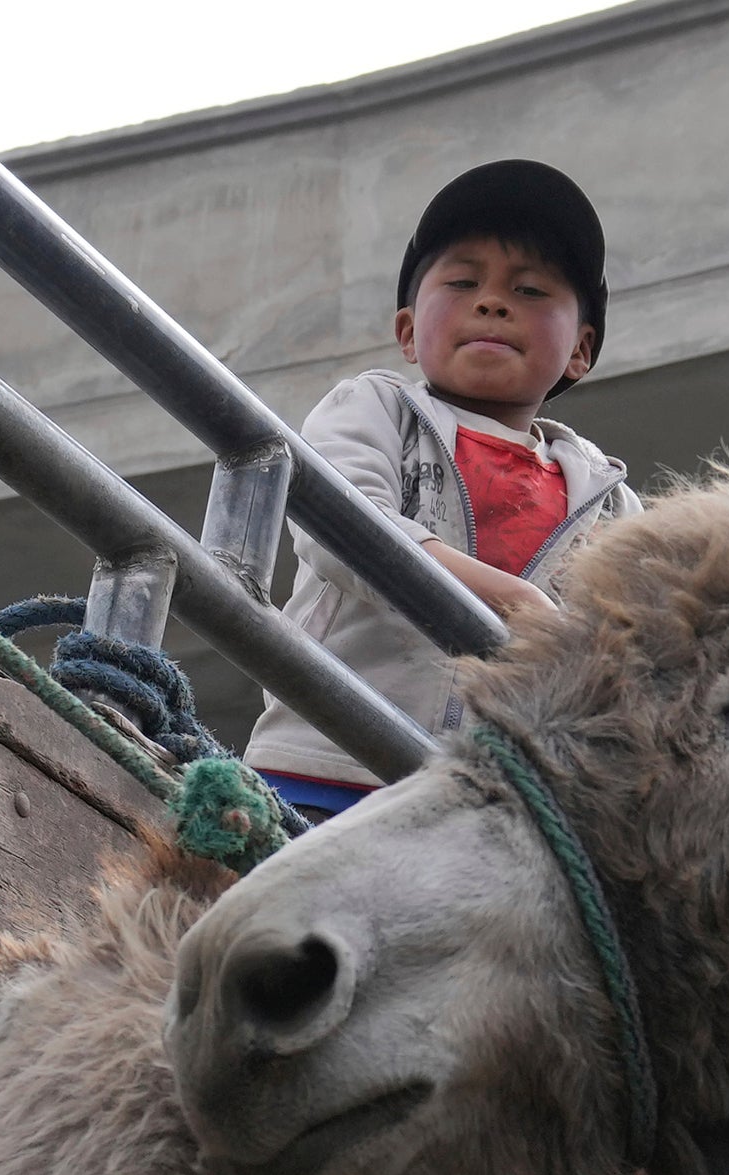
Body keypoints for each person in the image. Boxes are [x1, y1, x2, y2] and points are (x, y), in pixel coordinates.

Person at [245, 159, 641, 822]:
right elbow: (344, 531)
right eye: (462, 281)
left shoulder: (609, 501)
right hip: (329, 768)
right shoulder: (373, 409)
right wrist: (514, 601)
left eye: (532, 290)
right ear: (406, 331)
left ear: (580, 348)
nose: (491, 301)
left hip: (495, 810)